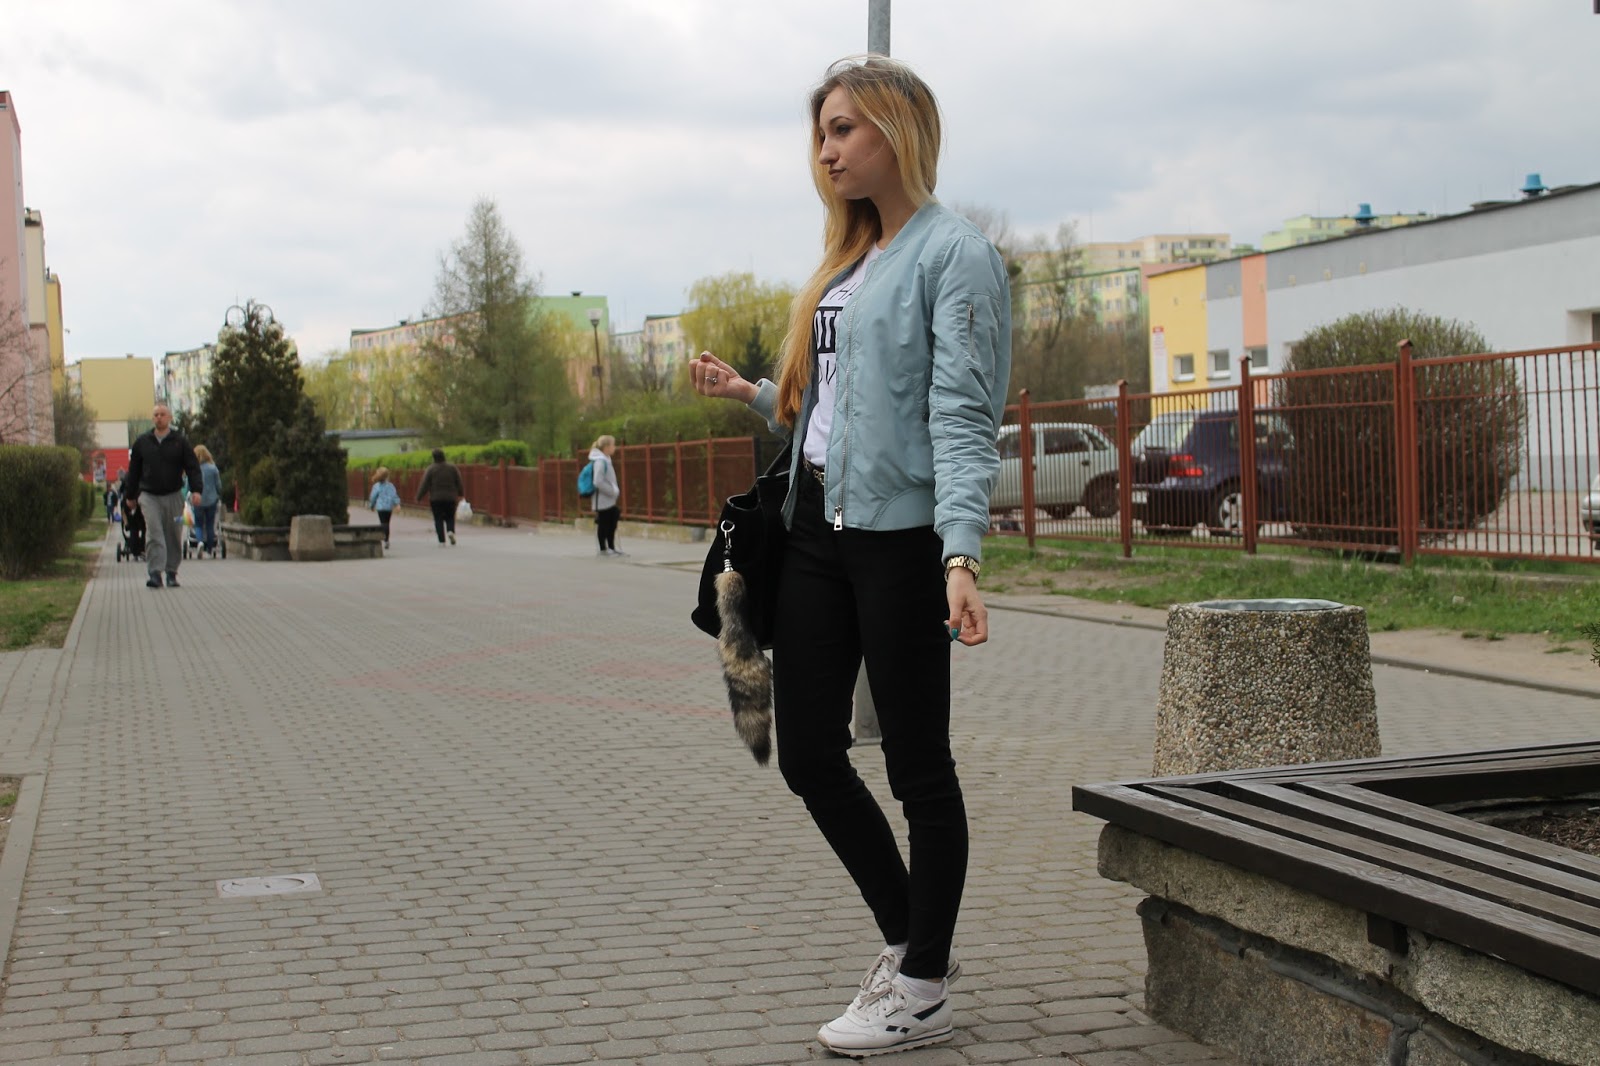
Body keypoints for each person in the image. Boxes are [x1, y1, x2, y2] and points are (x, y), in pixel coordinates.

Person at [689, 55, 1011, 1056]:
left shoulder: (953, 255)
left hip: (901, 542)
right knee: (809, 756)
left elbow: (962, 419)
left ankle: (920, 984)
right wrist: (752, 392)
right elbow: (830, 413)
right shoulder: (848, 257)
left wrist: (961, 555)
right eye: (820, 133)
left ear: (897, 131)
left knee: (917, 766)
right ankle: (915, 943)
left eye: (844, 129)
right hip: (815, 533)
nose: (826, 151)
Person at [125, 402, 203, 589]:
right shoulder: (143, 442)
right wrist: (130, 495)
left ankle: (171, 572)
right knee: (154, 532)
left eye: (162, 414)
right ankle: (155, 573)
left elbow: (192, 467)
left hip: (174, 495)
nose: (159, 417)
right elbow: (133, 471)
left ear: (169, 418)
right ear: (153, 419)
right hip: (149, 496)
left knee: (173, 533)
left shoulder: (179, 441)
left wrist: (196, 490)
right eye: (156, 415)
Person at [416, 448, 465, 546]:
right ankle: (450, 531)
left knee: (438, 518)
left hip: (436, 498)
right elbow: (459, 481)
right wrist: (460, 493)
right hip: (450, 497)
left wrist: (419, 497)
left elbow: (424, 484)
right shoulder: (452, 468)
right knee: (450, 516)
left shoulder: (431, 469)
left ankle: (441, 540)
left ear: (434, 457)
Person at [587, 435, 624, 556]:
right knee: (605, 523)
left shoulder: (605, 459)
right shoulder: (600, 461)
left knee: (612, 519)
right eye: (613, 445)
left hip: (607, 499)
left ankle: (611, 547)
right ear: (606, 447)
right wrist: (612, 491)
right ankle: (604, 548)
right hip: (602, 500)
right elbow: (598, 481)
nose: (614, 447)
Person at [192, 445, 222, 553]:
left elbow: (189, 484)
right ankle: (209, 548)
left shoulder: (194, 469)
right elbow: (218, 485)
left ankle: (200, 541)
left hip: (198, 500)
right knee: (210, 524)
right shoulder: (213, 468)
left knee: (198, 524)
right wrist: (219, 493)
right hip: (211, 500)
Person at [368, 466, 400, 549]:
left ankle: (384, 538)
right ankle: (386, 540)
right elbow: (394, 495)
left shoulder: (376, 486)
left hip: (381, 507)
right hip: (388, 507)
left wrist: (371, 505)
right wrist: (397, 504)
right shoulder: (390, 485)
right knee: (387, 523)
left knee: (383, 523)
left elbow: (373, 497)